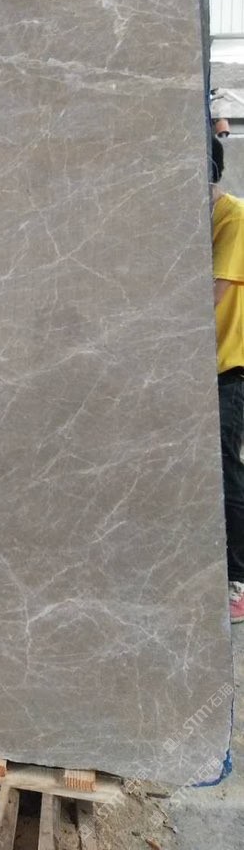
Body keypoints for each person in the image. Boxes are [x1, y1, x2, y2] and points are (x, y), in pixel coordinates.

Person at [211, 134, 244, 623]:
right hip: (196, 369)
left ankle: (239, 578)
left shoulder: (234, 217)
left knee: (224, 473)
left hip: (227, 370)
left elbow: (211, 294)